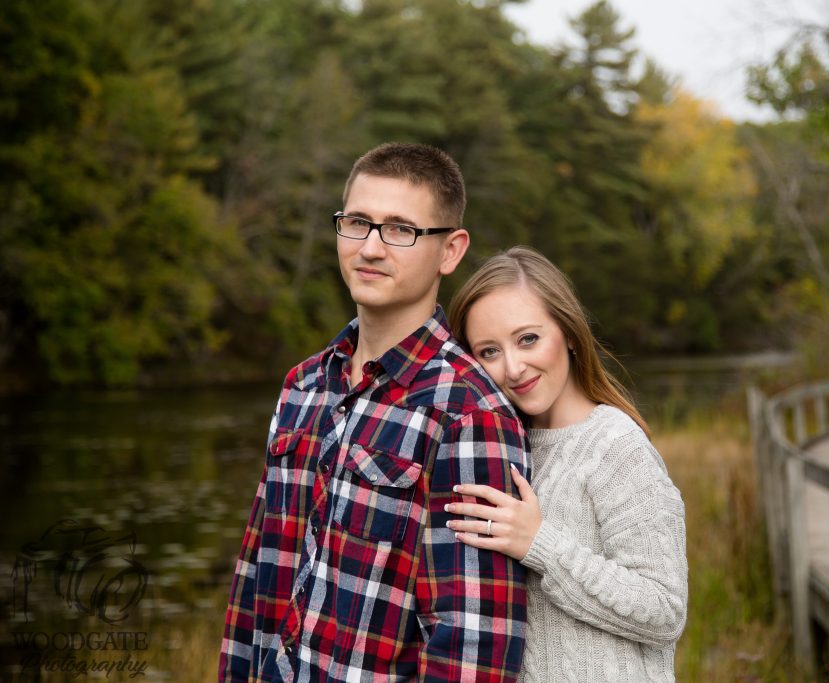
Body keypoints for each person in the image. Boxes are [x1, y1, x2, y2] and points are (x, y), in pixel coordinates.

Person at [219, 143, 530, 682]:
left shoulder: (467, 413)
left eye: (400, 229)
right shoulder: (302, 387)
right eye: (358, 223)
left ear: (450, 251)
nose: (370, 248)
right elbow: (256, 575)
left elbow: (472, 643)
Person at [446, 246, 687, 682]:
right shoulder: (502, 447)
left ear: (570, 333)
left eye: (528, 339)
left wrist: (541, 544)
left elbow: (664, 609)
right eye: (489, 351)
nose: (514, 368)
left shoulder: (615, 445)